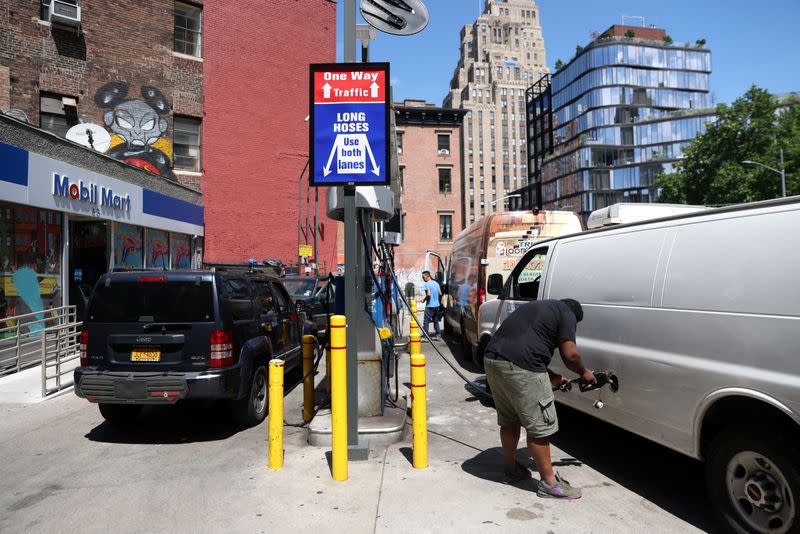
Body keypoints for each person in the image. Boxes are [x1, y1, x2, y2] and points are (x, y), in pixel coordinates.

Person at [483, 298, 595, 499]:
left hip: (492, 359)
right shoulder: (568, 313)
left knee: (510, 419)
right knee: (539, 427)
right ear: (575, 318)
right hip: (520, 365)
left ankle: (511, 469)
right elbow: (570, 355)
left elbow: (526, 345)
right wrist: (584, 372)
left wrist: (552, 377)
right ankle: (549, 484)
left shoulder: (538, 308)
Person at [421, 270, 442, 341]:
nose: (423, 278)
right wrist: (437, 301)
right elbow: (440, 293)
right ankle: (438, 335)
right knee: (436, 320)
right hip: (437, 306)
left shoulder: (427, 284)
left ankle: (425, 337)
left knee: (426, 321)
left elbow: (429, 294)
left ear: (427, 276)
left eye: (423, 277)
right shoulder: (436, 283)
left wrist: (424, 300)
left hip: (430, 306)